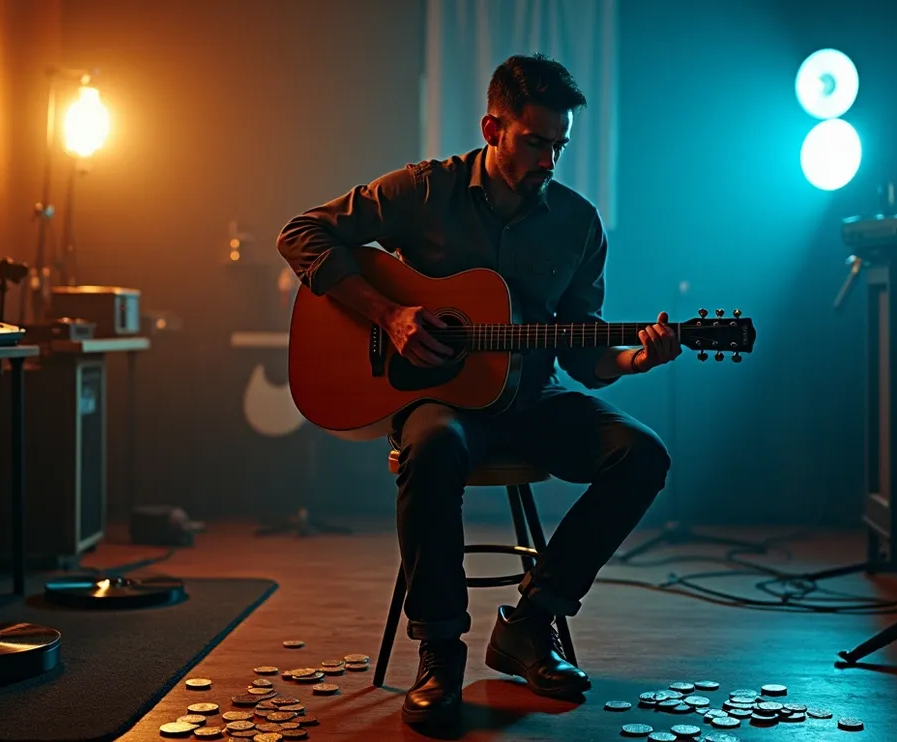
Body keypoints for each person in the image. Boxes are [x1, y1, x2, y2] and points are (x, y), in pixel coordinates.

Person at [277, 53, 676, 727]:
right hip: (441, 400)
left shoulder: (578, 224)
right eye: (535, 142)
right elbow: (301, 234)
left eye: (560, 146)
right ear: (493, 128)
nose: (549, 160)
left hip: (533, 399)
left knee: (644, 455)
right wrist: (391, 315)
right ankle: (439, 651)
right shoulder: (424, 191)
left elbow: (583, 357)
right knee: (432, 445)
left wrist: (635, 361)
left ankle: (530, 623)